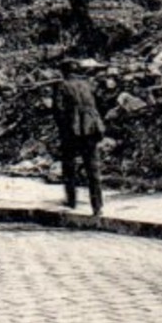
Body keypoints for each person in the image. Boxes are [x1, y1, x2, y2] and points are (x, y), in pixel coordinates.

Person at [52, 58, 105, 216]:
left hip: (72, 131)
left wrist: (63, 130)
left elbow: (58, 110)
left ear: (64, 71)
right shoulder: (87, 84)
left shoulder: (61, 85)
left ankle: (71, 200)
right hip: (92, 129)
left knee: (69, 166)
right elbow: (98, 104)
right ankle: (97, 206)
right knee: (93, 169)